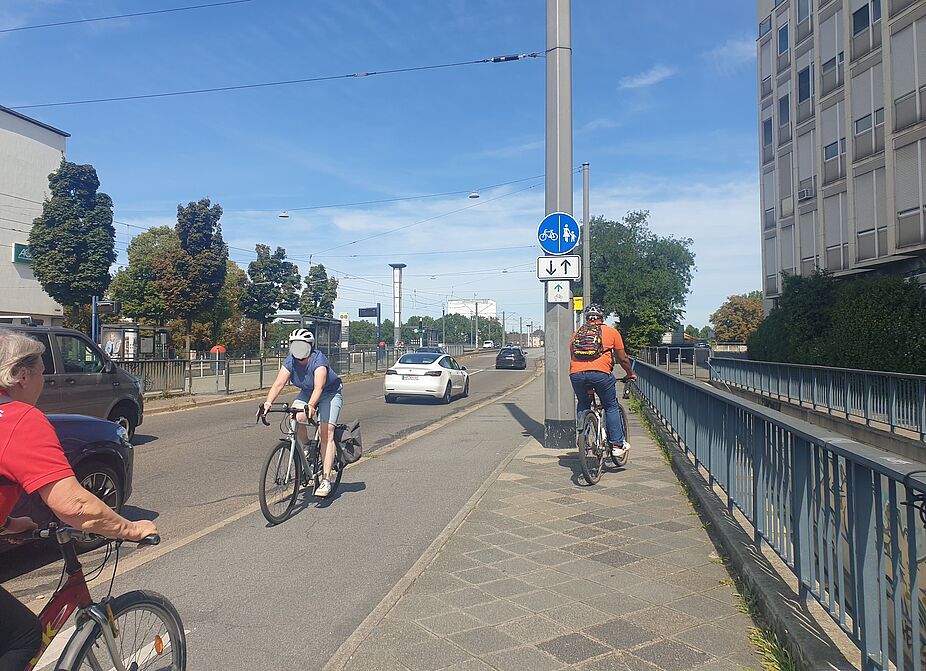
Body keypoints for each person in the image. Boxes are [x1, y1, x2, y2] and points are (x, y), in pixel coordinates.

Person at [0, 329, 157, 670]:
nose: (45, 379)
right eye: (43, 371)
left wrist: (9, 523)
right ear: (22, 375)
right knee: (24, 636)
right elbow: (75, 506)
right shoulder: (18, 420)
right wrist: (128, 529)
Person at [260, 329, 343, 497]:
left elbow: (319, 387)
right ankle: (307, 445)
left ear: (309, 346)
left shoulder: (318, 360)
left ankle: (326, 479)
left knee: (325, 431)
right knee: (295, 416)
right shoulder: (291, 361)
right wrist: (268, 403)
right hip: (306, 391)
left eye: (301, 345)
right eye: (294, 345)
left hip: (329, 393)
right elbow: (278, 384)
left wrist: (311, 405)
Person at [569, 304, 636, 463]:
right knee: (611, 405)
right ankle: (618, 446)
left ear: (587, 318)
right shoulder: (611, 332)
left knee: (583, 403)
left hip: (577, 375)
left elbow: (572, 354)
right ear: (602, 317)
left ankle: (583, 437)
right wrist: (630, 374)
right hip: (600, 375)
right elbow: (623, 358)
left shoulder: (576, 334)